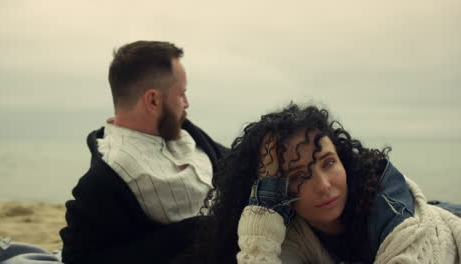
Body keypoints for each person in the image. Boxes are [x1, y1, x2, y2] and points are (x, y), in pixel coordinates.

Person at [206, 103, 461, 263]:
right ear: (280, 190)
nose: (324, 185)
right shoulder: (296, 231)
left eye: (328, 162)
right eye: (298, 176)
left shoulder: (390, 210)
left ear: (343, 158)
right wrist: (267, 197)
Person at [58, 41, 229, 264]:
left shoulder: (186, 131)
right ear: (153, 100)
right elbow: (78, 258)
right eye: (181, 94)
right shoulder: (105, 179)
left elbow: (237, 160)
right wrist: (192, 232)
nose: (187, 103)